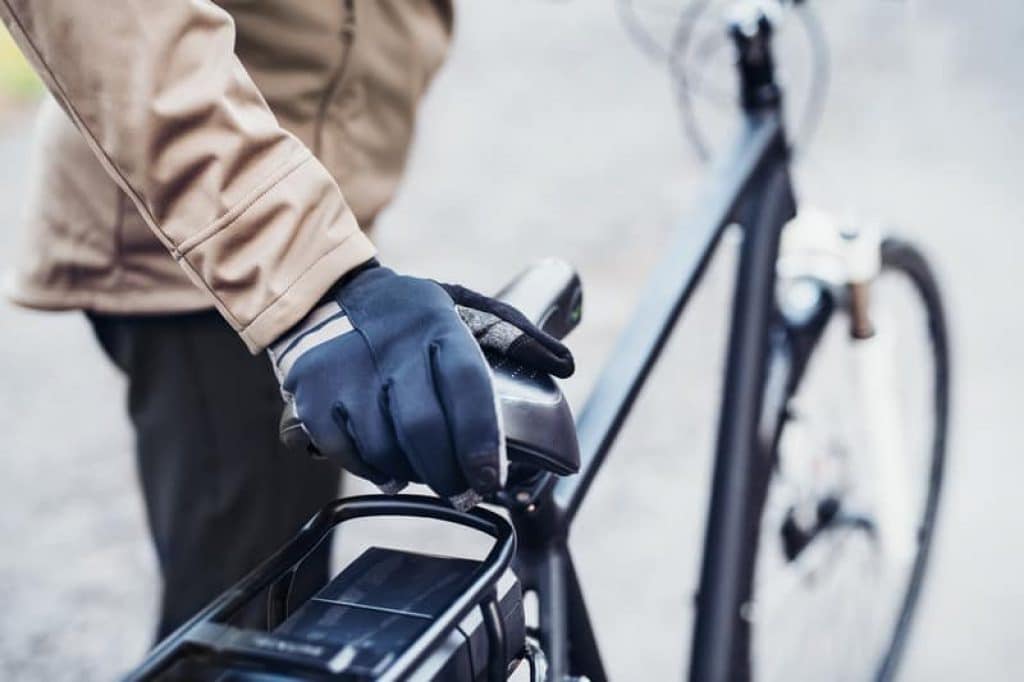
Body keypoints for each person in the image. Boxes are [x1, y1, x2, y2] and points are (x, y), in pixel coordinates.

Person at [1, 0, 573, 642]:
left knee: (285, 606)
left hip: (308, 217)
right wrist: (313, 281)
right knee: (250, 632)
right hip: (205, 247)